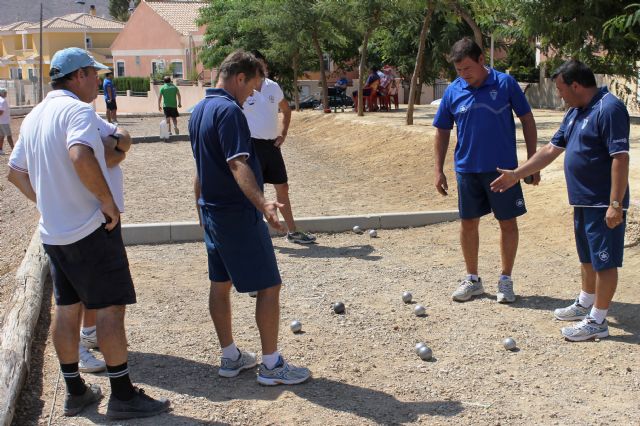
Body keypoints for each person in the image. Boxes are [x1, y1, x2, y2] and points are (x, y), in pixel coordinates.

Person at [7, 47, 169, 419]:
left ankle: (75, 391)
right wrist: (106, 201)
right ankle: (123, 396)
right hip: (91, 228)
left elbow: (15, 173)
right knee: (110, 308)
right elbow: (80, 154)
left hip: (55, 232)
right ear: (78, 75)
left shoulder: (33, 117)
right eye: (93, 74)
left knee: (67, 309)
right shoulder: (77, 112)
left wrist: (47, 201)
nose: (98, 80)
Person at [189, 49, 311, 386]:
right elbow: (236, 163)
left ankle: (230, 357)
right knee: (269, 285)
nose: (253, 95)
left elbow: (201, 167)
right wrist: (263, 204)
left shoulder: (199, 110)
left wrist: (199, 207)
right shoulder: (229, 111)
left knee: (220, 284)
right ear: (239, 78)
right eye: (253, 87)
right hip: (237, 214)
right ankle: (271, 365)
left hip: (213, 212)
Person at [490, 60, 630, 341]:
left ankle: (598, 321)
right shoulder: (575, 112)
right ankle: (585, 302)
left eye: (561, 89)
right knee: (587, 257)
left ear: (576, 85)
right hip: (582, 201)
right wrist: (517, 174)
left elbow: (620, 158)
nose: (559, 95)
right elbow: (551, 149)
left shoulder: (609, 108)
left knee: (604, 261)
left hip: (602, 203)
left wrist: (615, 204)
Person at [433, 37, 539, 304]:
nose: (463, 74)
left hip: (503, 171)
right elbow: (442, 130)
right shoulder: (453, 91)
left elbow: (527, 119)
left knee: (507, 223)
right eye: (458, 70)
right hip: (467, 169)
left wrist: (532, 162)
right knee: (468, 223)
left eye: (467, 68)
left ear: (482, 60)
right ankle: (472, 280)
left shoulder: (505, 83)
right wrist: (438, 170)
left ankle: (506, 279)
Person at [243, 50, 316, 244]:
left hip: (272, 146)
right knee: (254, 190)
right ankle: (253, 235)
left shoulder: (273, 87)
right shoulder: (242, 88)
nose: (260, 68)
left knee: (282, 186)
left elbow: (286, 110)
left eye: (261, 64)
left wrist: (283, 133)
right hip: (251, 146)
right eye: (255, 64)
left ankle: (292, 232)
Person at [0, 87, 14, 155]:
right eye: (5, 93)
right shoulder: (3, 101)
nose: (6, 94)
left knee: (1, 136)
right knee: (9, 136)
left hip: (1, 122)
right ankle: (13, 150)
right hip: (4, 122)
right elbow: (1, 112)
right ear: (2, 93)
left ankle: (0, 149)